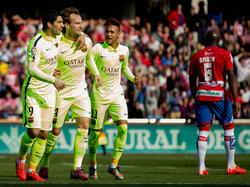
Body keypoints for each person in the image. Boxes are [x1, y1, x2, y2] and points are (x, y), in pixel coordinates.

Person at [38, 7, 102, 181]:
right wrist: (51, 73)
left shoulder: (86, 41)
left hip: (80, 90)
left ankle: (77, 168)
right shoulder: (55, 43)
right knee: (55, 131)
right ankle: (44, 163)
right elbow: (44, 62)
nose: (81, 26)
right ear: (66, 25)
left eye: (81, 22)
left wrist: (96, 73)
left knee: (84, 127)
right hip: (60, 92)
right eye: (77, 23)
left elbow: (89, 60)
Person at [15, 9, 66, 181]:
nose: (62, 25)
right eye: (59, 22)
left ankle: (32, 170)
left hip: (49, 93)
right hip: (34, 91)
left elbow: (75, 36)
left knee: (45, 133)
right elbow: (32, 69)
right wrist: (53, 78)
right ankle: (20, 160)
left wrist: (81, 37)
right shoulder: (36, 42)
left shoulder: (58, 38)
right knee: (33, 132)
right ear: (50, 24)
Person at [88, 18, 141, 180]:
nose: (109, 34)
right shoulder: (97, 48)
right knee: (96, 134)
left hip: (116, 93)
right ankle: (92, 164)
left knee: (123, 128)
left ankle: (114, 164)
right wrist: (96, 74)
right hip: (99, 95)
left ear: (119, 34)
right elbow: (88, 61)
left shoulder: (124, 50)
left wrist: (133, 79)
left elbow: (124, 68)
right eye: (107, 31)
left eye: (112, 32)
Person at [189, 30, 247, 175]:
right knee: (229, 127)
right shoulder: (225, 54)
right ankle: (231, 165)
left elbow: (191, 80)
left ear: (205, 40)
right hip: (218, 95)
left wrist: (196, 95)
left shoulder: (196, 56)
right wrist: (235, 99)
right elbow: (232, 77)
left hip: (202, 95)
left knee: (203, 131)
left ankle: (201, 167)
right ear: (219, 40)